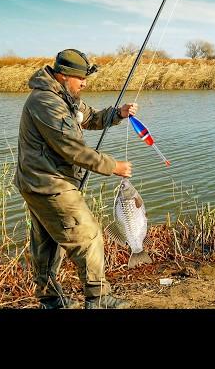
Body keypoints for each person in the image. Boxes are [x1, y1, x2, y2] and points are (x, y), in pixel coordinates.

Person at [15, 48, 137, 309]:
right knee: (89, 235)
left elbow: (90, 117)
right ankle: (99, 298)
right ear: (63, 76)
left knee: (48, 244)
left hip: (41, 182)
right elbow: (72, 148)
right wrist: (113, 166)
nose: (84, 83)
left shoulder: (63, 96)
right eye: (80, 78)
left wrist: (118, 113)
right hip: (48, 183)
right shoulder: (45, 102)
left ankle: (50, 301)